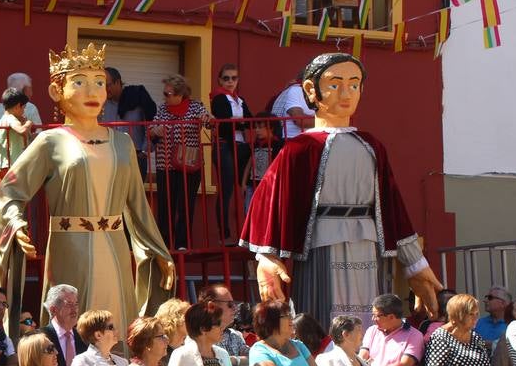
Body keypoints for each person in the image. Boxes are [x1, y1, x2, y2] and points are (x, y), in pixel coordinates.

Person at [241, 53, 444, 328]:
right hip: (323, 243)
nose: (346, 93)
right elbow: (270, 200)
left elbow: (393, 209)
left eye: (354, 84)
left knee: (369, 319)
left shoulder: (372, 146)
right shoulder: (300, 149)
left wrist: (416, 266)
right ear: (311, 90)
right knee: (326, 319)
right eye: (335, 85)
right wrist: (267, 257)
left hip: (369, 247)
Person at [0, 43, 174, 343]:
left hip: (116, 247)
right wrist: (14, 222)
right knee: (73, 323)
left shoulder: (122, 143)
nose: (92, 91)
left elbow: (138, 206)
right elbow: (11, 189)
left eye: (100, 83)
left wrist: (156, 250)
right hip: (70, 246)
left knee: (117, 326)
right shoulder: (50, 141)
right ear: (56, 91)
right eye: (79, 82)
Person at [149, 73, 208, 251]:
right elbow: (151, 129)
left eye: (168, 94)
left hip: (188, 164)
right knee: (165, 205)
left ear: (180, 94)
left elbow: (208, 120)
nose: (165, 97)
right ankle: (165, 243)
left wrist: (207, 119)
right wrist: (155, 131)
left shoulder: (195, 106)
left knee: (185, 204)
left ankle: (182, 243)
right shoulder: (162, 109)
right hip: (165, 164)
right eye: (164, 93)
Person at [209, 65, 252, 242]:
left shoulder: (239, 99)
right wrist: (240, 123)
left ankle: (247, 234)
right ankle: (224, 235)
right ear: (220, 80)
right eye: (226, 78)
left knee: (245, 188)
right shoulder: (218, 98)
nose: (230, 82)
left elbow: (250, 120)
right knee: (226, 191)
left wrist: (239, 123)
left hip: (240, 146)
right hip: (224, 146)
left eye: (234, 78)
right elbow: (225, 123)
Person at [361, 294, 425, 366]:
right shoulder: (372, 330)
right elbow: (362, 357)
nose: (373, 319)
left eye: (377, 315)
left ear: (391, 317)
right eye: (372, 314)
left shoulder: (414, 336)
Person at [0, 86, 36, 181]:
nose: (24, 111)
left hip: (4, 165)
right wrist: (29, 122)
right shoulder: (10, 118)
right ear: (17, 107)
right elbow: (22, 130)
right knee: (16, 194)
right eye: (23, 108)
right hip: (12, 165)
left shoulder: (4, 118)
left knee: (7, 195)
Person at [115, 84, 154, 178]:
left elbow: (148, 129)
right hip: (128, 152)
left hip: (135, 152)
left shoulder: (137, 109)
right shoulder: (123, 107)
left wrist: (144, 151)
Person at [271, 71, 311, 140]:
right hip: (286, 137)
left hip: (277, 134)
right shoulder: (296, 90)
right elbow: (299, 120)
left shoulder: (286, 90)